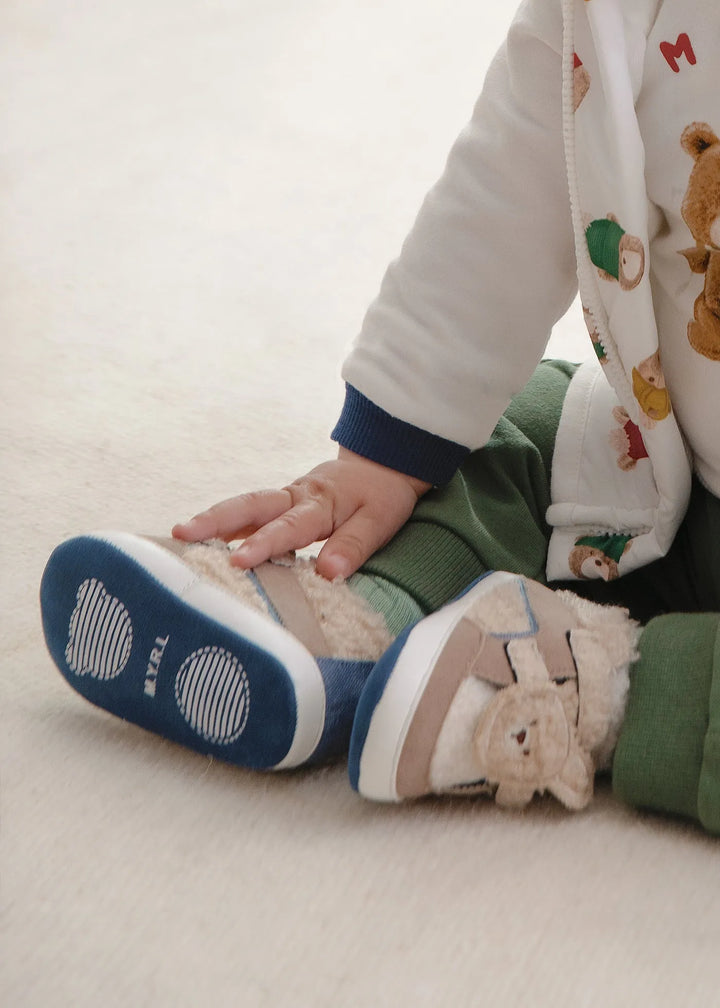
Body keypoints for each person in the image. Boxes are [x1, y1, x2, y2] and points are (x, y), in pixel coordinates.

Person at [41, 0, 720, 832]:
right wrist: (386, 454)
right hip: (684, 466)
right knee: (529, 427)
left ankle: (604, 690)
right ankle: (359, 622)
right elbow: (525, 166)